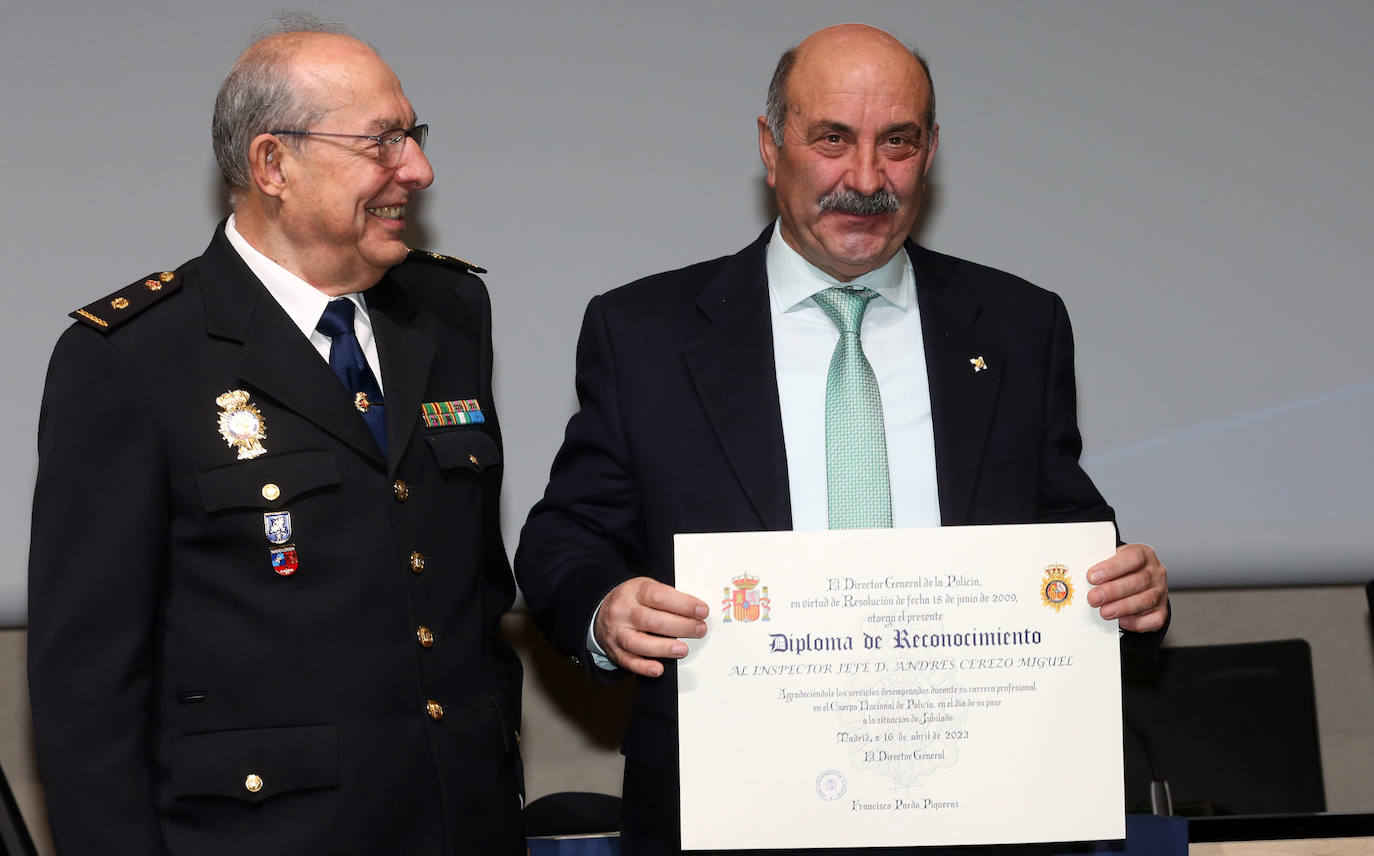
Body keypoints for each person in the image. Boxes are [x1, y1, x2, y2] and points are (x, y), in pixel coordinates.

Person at [515, 22, 1169, 856]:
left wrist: (1130, 584)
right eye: (833, 139)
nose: (866, 178)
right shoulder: (643, 332)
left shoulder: (1016, 325)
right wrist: (607, 610)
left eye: (896, 143)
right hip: (730, 808)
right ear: (770, 146)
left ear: (931, 150)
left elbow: (1065, 525)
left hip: (978, 810)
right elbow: (565, 536)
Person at [27, 17, 524, 855]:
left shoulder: (448, 313)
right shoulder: (134, 356)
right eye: (383, 141)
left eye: (414, 134)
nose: (419, 168)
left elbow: (473, 597)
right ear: (272, 165)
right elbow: (88, 694)